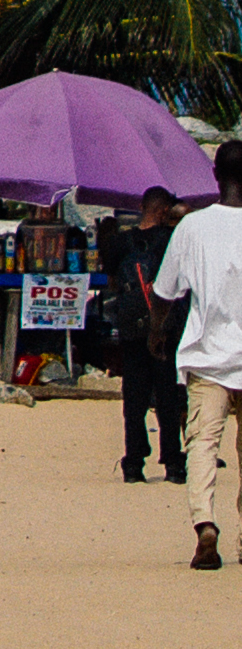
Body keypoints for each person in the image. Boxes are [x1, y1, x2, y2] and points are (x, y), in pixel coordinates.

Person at [153, 138, 242, 572]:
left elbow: (165, 292)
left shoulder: (192, 227)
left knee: (204, 443)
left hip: (207, 359)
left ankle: (205, 525)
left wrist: (156, 331)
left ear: (215, 177)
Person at [104, 190, 188, 485]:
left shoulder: (121, 242)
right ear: (165, 210)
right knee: (168, 396)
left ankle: (133, 463)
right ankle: (174, 463)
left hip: (131, 330)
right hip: (164, 328)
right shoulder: (173, 239)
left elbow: (111, 281)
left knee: (134, 397)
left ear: (141, 208)